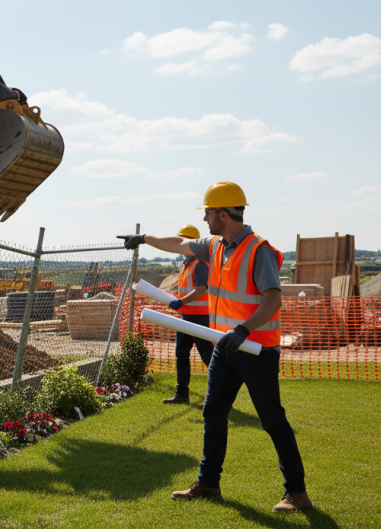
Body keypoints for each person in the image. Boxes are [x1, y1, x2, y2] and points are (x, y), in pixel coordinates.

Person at [119, 181, 311, 513]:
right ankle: (208, 483)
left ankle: (297, 493)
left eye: (207, 212)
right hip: (225, 347)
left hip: (256, 350)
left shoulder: (258, 250)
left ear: (223, 213)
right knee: (213, 412)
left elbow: (273, 299)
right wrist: (144, 238)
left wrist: (243, 329)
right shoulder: (216, 246)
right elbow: (180, 242)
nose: (205, 218)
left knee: (272, 420)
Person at [164, 224, 213, 405]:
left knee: (209, 359)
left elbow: (200, 290)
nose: (180, 244)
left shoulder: (200, 263)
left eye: (183, 240)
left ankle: (219, 397)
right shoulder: (186, 263)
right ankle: (182, 395)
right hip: (186, 317)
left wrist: (181, 302)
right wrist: (178, 302)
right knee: (181, 355)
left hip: (200, 318)